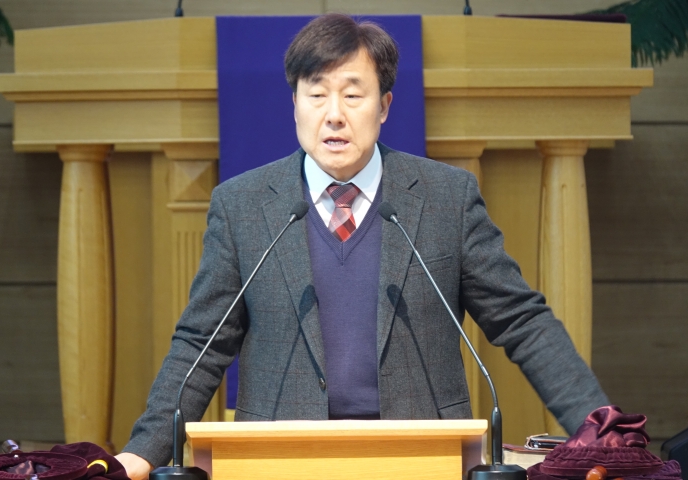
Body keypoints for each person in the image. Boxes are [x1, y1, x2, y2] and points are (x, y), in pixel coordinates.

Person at [116, 13, 609, 480]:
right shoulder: (242, 205)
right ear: (294, 104)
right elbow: (202, 343)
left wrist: (603, 432)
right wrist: (143, 452)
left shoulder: (445, 198)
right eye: (316, 95)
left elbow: (521, 321)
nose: (334, 115)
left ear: (384, 106)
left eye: (353, 95)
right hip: (279, 459)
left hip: (424, 458)